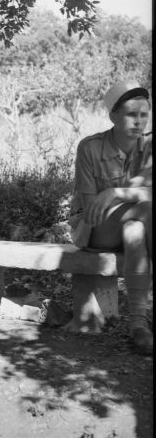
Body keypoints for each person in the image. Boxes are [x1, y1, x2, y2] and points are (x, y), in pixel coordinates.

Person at [69, 79, 152, 355]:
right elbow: (93, 209)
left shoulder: (150, 147)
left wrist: (115, 192)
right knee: (141, 211)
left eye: (144, 114)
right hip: (95, 230)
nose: (139, 121)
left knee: (134, 229)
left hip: (135, 224)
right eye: (131, 114)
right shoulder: (90, 148)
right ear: (113, 115)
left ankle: (138, 325)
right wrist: (137, 194)